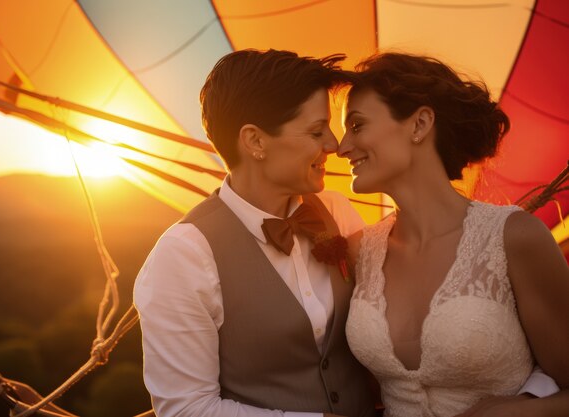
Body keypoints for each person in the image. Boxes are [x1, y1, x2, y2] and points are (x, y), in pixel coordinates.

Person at [134, 49, 376, 417]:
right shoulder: (183, 256)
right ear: (256, 142)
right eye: (316, 131)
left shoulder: (338, 212)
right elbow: (187, 409)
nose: (333, 145)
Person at [337, 52, 569, 417]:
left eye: (357, 125)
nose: (341, 147)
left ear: (420, 124)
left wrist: (513, 413)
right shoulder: (359, 251)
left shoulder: (514, 238)